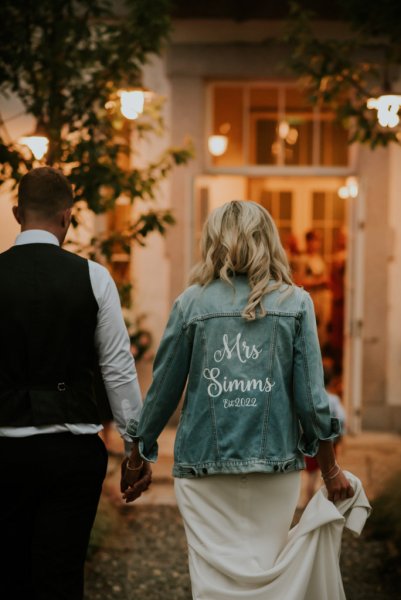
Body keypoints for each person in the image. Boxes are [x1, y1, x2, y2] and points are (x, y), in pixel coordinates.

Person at [124, 200, 354, 598]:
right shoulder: (296, 303)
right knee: (269, 575)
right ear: (269, 241)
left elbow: (162, 390)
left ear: (213, 242)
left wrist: (137, 454)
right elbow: (312, 400)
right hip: (275, 470)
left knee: (213, 585)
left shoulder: (191, 303)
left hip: (202, 472)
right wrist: (330, 468)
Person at [0, 167, 150, 600]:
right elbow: (118, 369)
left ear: (16, 213)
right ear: (67, 217)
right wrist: (135, 449)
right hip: (72, 451)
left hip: (5, 448)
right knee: (61, 577)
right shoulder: (94, 277)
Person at [295, 229, 331, 347]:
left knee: (322, 329)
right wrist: (318, 281)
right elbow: (299, 281)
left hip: (321, 298)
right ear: (308, 242)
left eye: (318, 241)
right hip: (310, 297)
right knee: (310, 328)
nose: (316, 244)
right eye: (313, 241)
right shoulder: (303, 260)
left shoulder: (319, 259)